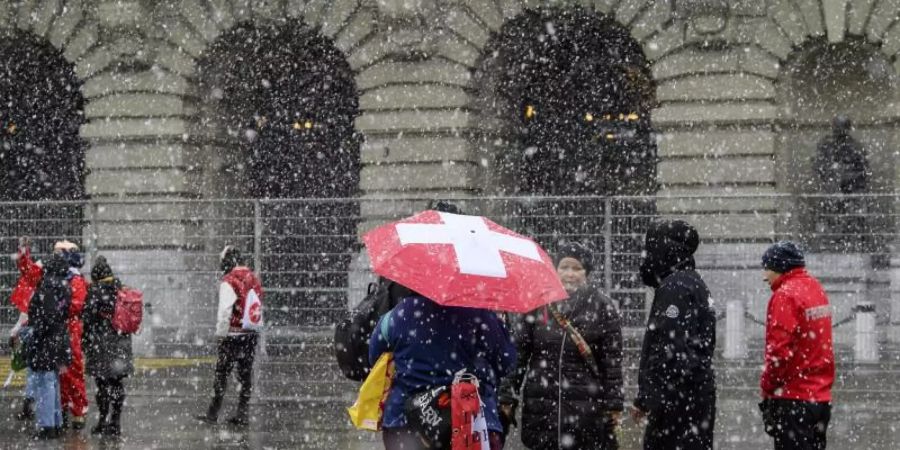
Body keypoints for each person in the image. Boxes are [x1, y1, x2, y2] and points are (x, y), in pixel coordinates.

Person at [499, 241, 623, 449]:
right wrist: (507, 394)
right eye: (564, 267)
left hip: (585, 406)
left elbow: (611, 361)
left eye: (577, 268)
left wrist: (614, 404)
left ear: (587, 273)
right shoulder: (539, 303)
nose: (570, 274)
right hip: (542, 404)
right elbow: (519, 353)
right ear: (555, 270)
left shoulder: (602, 307)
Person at [370, 285, 517, 450]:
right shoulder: (480, 314)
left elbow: (374, 357)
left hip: (405, 422)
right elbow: (507, 361)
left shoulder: (397, 315)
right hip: (468, 423)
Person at [632, 220, 716, 450]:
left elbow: (669, 349)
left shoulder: (675, 287)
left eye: (651, 248)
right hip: (691, 399)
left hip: (678, 403)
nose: (646, 256)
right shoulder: (691, 282)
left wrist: (653, 399)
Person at [759, 242, 834, 450]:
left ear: (780, 267)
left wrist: (767, 386)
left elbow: (778, 353)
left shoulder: (785, 295)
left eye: (767, 269)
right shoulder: (815, 288)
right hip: (819, 397)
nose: (764, 276)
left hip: (794, 398)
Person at [11, 238, 89, 430]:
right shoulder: (56, 277)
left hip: (65, 330)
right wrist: (23, 257)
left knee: (71, 371)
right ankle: (62, 410)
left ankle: (76, 411)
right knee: (57, 373)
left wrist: (52, 311)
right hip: (60, 329)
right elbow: (29, 273)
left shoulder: (73, 280)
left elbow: (76, 306)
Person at [196, 245, 263, 427]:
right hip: (250, 333)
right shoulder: (253, 278)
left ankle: (212, 413)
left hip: (232, 335)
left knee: (221, 374)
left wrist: (220, 335)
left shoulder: (229, 281)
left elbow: (225, 311)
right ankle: (242, 413)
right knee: (245, 374)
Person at [82, 256, 134, 436]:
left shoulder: (95, 291)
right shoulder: (121, 289)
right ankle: (116, 422)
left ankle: (102, 421)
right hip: (122, 342)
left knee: (102, 384)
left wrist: (85, 342)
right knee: (117, 383)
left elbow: (87, 319)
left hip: (101, 344)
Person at [25, 253, 72, 439]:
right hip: (59, 338)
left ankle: (47, 427)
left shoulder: (47, 287)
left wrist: (35, 332)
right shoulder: (65, 287)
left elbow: (46, 317)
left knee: (45, 383)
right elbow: (60, 315)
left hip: (45, 341)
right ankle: (56, 423)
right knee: (52, 382)